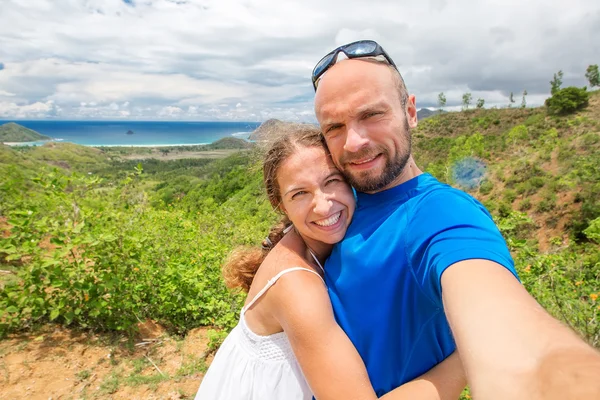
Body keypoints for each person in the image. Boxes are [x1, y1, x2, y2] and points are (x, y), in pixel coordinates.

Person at [312, 39, 600, 399]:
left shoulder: (440, 214)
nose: (353, 142)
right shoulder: (337, 201)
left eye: (372, 115)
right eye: (334, 127)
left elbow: (516, 344)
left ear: (410, 113)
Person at [195, 124, 466, 400]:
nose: (323, 206)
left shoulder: (318, 244)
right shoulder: (296, 286)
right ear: (280, 204)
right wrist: (467, 357)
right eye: (300, 194)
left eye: (332, 181)